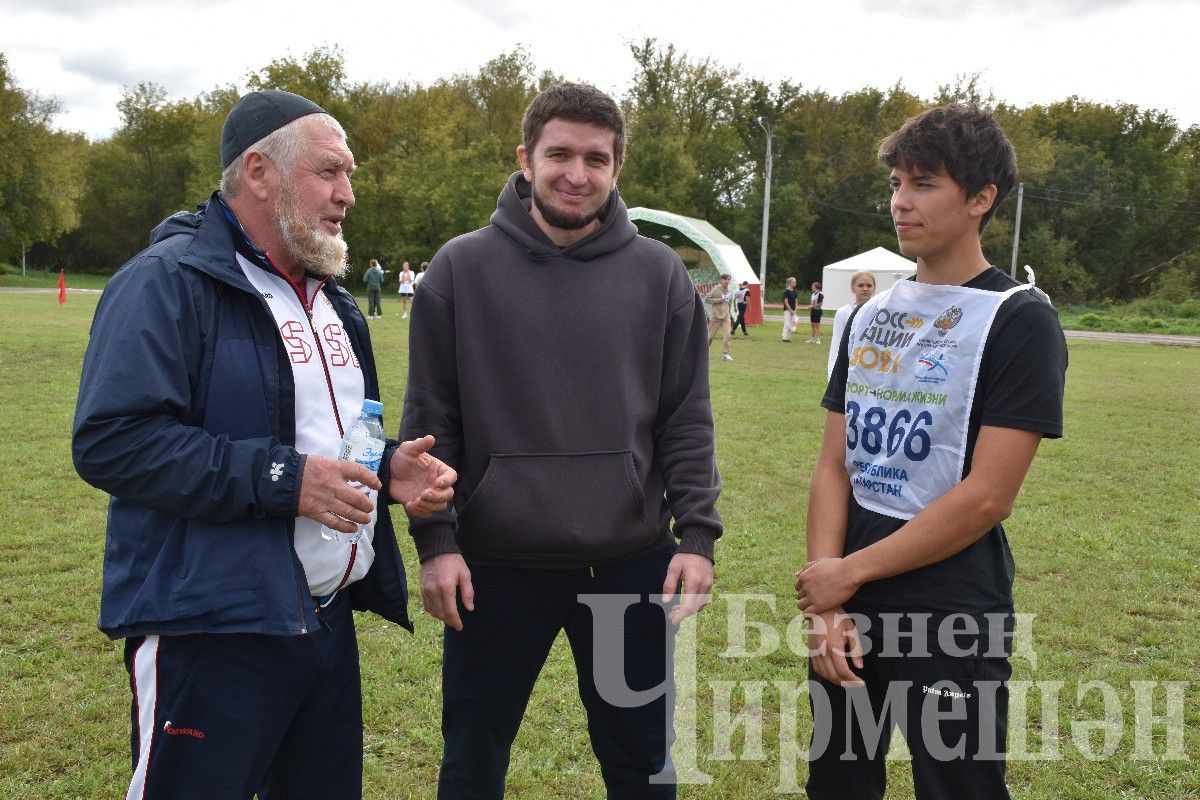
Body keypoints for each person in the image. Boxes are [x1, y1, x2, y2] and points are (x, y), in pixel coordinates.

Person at [72, 89, 458, 800]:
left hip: (324, 626)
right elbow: (112, 441)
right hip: (211, 632)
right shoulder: (167, 281)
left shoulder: (337, 301)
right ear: (258, 172)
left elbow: (330, 434)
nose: (347, 193)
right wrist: (288, 480)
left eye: (349, 176)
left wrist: (388, 464)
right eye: (329, 172)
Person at [401, 82, 723, 800]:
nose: (577, 173)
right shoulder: (460, 269)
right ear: (525, 158)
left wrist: (697, 537)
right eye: (560, 154)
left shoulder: (661, 276)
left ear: (617, 170)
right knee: (473, 757)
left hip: (629, 565)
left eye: (597, 158)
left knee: (640, 760)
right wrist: (437, 543)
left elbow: (685, 418)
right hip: (493, 564)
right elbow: (432, 421)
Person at [795, 103, 1067, 799]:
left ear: (981, 199)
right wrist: (828, 599)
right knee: (839, 782)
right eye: (896, 183)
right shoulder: (866, 314)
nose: (899, 202)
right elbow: (834, 464)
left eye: (923, 183)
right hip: (850, 590)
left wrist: (843, 573)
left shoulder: (1019, 319)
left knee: (959, 784)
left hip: (951, 602)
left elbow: (987, 497)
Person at [826, 269, 876, 377]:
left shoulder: (881, 313)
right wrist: (832, 375)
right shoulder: (843, 313)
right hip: (849, 369)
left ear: (874, 288)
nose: (865, 288)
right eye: (861, 285)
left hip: (872, 370)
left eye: (869, 285)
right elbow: (837, 344)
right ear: (853, 288)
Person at [705, 272, 735, 361]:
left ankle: (725, 354)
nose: (727, 281)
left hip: (726, 317)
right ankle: (705, 352)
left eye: (728, 280)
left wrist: (730, 313)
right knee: (710, 337)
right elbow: (707, 299)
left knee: (727, 335)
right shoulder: (716, 289)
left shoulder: (730, 290)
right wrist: (718, 300)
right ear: (721, 280)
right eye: (725, 279)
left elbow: (729, 302)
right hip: (715, 317)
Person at [781, 276, 798, 342]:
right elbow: (786, 302)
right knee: (787, 324)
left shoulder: (795, 291)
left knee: (791, 324)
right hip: (787, 310)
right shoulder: (786, 292)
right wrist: (790, 310)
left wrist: (795, 310)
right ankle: (784, 338)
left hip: (793, 311)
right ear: (790, 283)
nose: (795, 283)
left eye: (795, 282)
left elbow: (796, 302)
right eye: (794, 282)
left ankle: (788, 338)